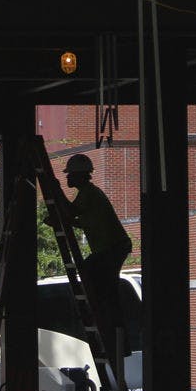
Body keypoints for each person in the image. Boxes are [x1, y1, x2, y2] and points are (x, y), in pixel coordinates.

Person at [54, 153, 132, 357]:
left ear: (80, 176)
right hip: (112, 247)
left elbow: (70, 213)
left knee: (96, 280)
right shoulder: (89, 193)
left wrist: (57, 191)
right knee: (102, 285)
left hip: (112, 247)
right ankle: (114, 333)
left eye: (70, 175)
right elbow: (82, 219)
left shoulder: (89, 193)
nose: (67, 178)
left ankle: (113, 333)